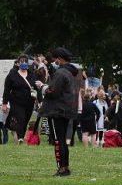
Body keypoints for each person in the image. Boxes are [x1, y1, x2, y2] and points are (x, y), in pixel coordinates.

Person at [36, 48, 79, 176]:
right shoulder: (71, 73)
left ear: (59, 59)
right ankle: (65, 167)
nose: (54, 62)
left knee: (57, 140)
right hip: (67, 110)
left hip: (57, 110)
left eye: (55, 60)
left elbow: (52, 91)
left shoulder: (61, 73)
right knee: (63, 141)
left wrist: (42, 87)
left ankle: (61, 169)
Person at [2, 54, 37, 144]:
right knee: (20, 118)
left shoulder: (32, 74)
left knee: (25, 120)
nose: (24, 63)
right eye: (22, 61)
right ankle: (21, 138)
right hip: (16, 102)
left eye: (26, 61)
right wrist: (4, 104)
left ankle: (18, 134)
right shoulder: (12, 75)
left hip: (29, 102)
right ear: (17, 63)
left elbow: (36, 88)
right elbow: (6, 90)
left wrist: (39, 100)